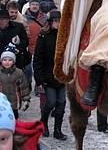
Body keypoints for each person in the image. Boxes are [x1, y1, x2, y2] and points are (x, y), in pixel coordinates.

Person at [33, 10, 67, 140]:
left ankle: (57, 130)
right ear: (50, 22)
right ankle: (43, 123)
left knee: (61, 103)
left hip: (61, 76)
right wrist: (39, 79)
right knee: (51, 102)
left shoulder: (64, 36)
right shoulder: (43, 36)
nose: (58, 23)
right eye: (56, 21)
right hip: (48, 75)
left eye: (59, 21)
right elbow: (37, 59)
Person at [0, 49, 30, 119]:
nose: (7, 62)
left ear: (13, 61)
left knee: (14, 121)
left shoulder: (19, 73)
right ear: (1, 61)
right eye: (5, 60)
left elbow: (24, 87)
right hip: (1, 104)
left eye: (10, 60)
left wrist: (26, 100)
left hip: (14, 103)